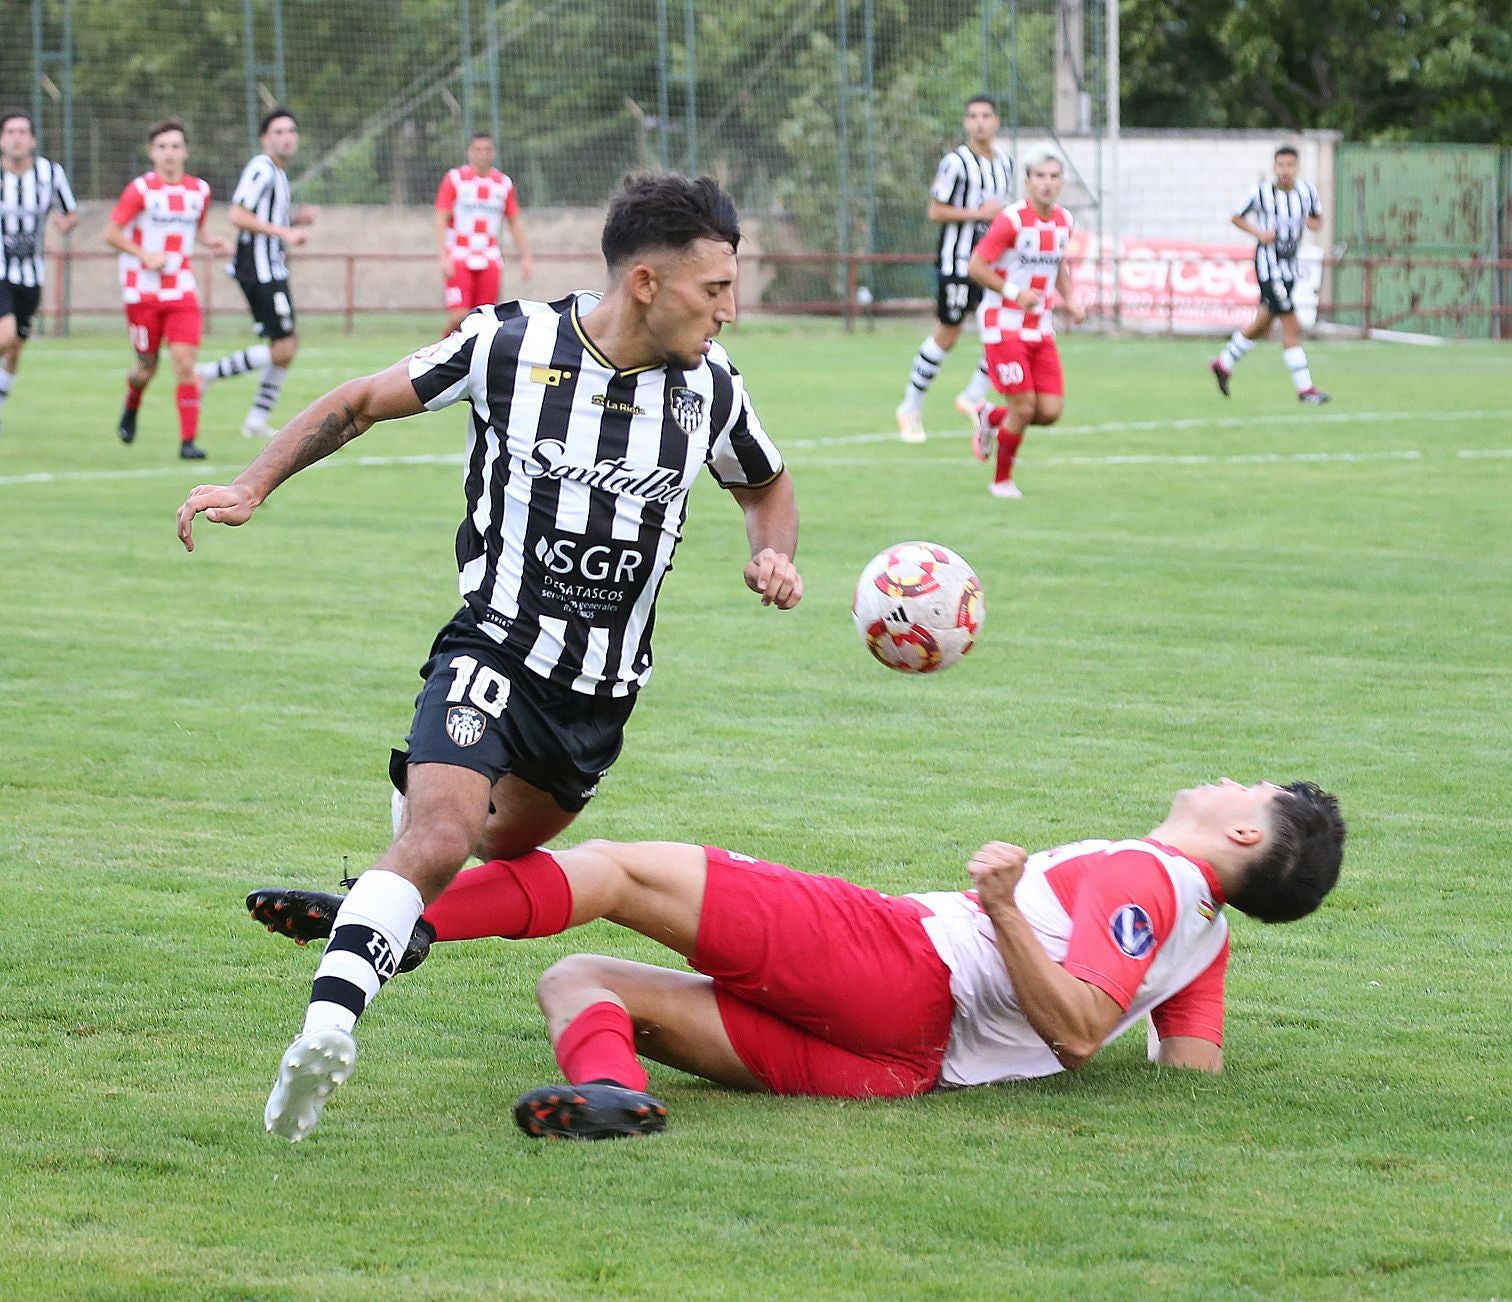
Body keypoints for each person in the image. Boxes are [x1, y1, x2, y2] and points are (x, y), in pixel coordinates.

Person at [175, 171, 804, 1143]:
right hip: (494, 646)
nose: (729, 308)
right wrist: (253, 484)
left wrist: (774, 552)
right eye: (713, 288)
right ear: (647, 281)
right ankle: (326, 1031)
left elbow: (765, 485)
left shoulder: (711, 391)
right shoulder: (511, 341)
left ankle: (395, 900)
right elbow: (361, 400)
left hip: (597, 697)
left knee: (492, 849)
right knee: (438, 835)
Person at [247, 778, 1345, 1141]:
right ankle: (615, 1097)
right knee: (576, 983)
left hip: (903, 963)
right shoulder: (1204, 937)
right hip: (904, 1067)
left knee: (622, 870)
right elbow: (1184, 1077)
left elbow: (1075, 1029)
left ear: (1245, 838)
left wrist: (1007, 908)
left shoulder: (1150, 877)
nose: (1219, 780)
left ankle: (390, 921)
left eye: (1244, 789)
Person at [103, 118, 233, 460]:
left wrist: (211, 242)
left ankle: (188, 442)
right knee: (146, 368)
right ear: (152, 152)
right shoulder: (140, 190)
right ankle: (132, 404)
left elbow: (197, 231)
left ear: (186, 151)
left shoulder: (199, 191)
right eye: (162, 147)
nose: (169, 153)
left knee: (184, 363)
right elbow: (112, 234)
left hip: (180, 290)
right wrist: (145, 255)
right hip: (141, 292)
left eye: (175, 146)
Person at [966, 149, 1084, 500]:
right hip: (1003, 325)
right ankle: (1001, 481)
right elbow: (977, 265)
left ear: (1062, 182)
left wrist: (1071, 298)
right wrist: (1014, 291)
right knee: (1024, 407)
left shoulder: (1064, 220)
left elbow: (1058, 264)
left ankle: (990, 417)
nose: (1047, 183)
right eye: (1040, 176)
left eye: (1054, 176)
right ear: (1027, 181)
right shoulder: (1011, 220)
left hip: (1041, 327)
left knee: (1049, 411)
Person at [895, 95, 1013, 444]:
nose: (979, 122)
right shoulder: (956, 162)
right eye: (973, 116)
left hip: (991, 265)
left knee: (1002, 328)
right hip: (958, 262)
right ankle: (909, 407)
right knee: (948, 333)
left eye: (986, 116)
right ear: (966, 122)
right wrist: (979, 214)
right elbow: (936, 211)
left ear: (997, 121)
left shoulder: (1004, 162)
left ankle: (973, 397)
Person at [196, 107, 318, 439]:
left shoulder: (277, 174)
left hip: (269, 268)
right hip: (260, 271)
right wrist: (285, 234)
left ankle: (256, 420)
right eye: (278, 132)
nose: (287, 137)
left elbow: (262, 220)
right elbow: (237, 214)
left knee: (286, 346)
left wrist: (294, 222)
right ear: (265, 138)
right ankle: (207, 374)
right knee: (284, 347)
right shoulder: (262, 169)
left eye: (291, 131)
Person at [1210, 146, 1329, 404]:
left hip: (1290, 266)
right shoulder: (1261, 192)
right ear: (1275, 167)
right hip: (1268, 266)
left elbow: (1318, 218)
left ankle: (1224, 363)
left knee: (1263, 322)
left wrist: (1313, 224)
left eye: (1290, 165)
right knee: (1290, 323)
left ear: (1297, 167)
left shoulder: (1307, 192)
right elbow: (1236, 217)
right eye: (1281, 165)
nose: (1285, 171)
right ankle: (1305, 389)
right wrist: (1259, 234)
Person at [0, 110, 78, 435]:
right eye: (10, 132)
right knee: (5, 335)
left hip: (32, 275)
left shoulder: (50, 173)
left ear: (32, 139)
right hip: (1, 271)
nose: (17, 137)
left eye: (23, 131)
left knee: (16, 344)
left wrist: (64, 222)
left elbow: (70, 212)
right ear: (2, 140)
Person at [435, 132, 533, 335]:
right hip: (459, 255)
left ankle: (473, 364)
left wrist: (525, 255)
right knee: (459, 316)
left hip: (489, 256)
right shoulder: (455, 179)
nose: (482, 154)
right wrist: (443, 255)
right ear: (469, 152)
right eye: (477, 150)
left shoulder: (503, 183)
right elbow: (441, 217)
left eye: (487, 150)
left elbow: (513, 220)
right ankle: (440, 351)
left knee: (484, 320)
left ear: (494, 153)